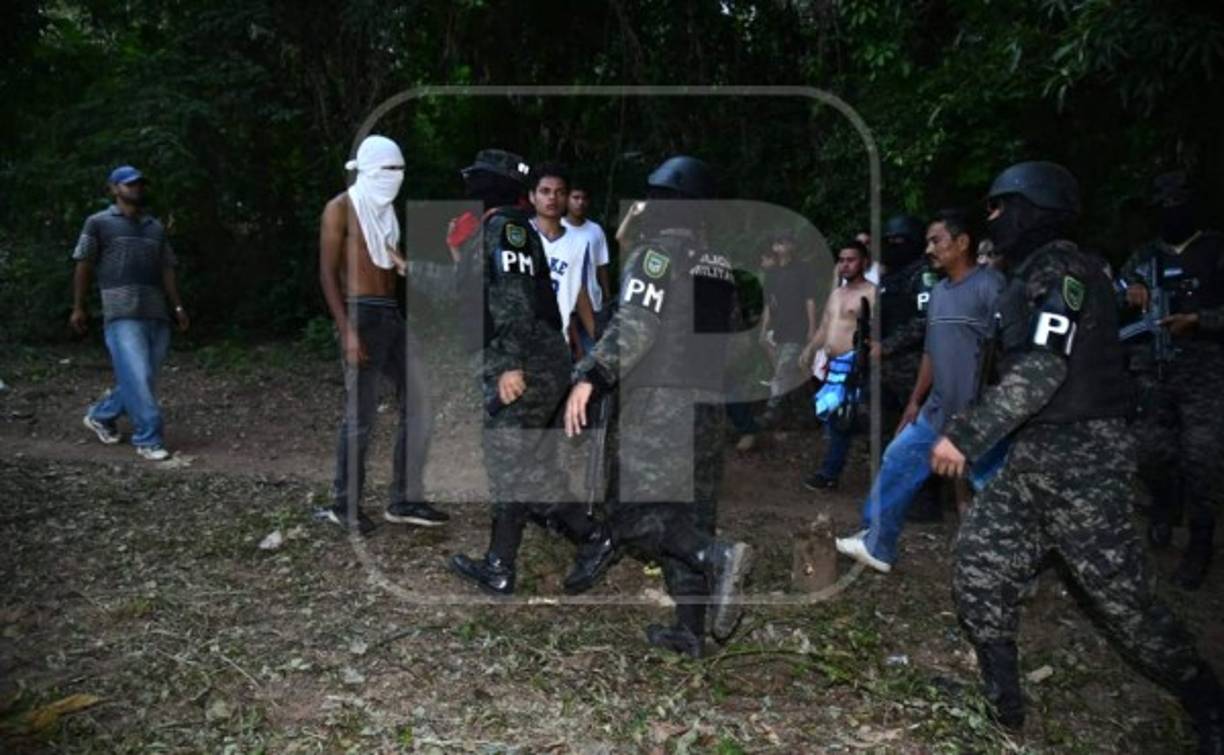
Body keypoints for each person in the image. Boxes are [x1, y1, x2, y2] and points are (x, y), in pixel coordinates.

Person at [929, 161, 1223, 750]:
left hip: (1083, 460)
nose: (991, 220)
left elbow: (1043, 367)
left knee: (1124, 602)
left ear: (1030, 209)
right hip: (1037, 454)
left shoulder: (1062, 268)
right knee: (979, 566)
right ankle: (1002, 700)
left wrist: (966, 435)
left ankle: (1208, 704)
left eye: (997, 207)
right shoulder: (1035, 271)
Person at [562, 156, 753, 659]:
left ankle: (716, 556)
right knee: (693, 510)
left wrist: (592, 376)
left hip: (660, 405)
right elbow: (734, 341)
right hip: (707, 406)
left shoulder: (655, 256)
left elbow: (635, 327)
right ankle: (689, 630)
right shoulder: (719, 266)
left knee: (633, 512)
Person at [447, 149, 602, 595]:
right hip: (529, 361)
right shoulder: (496, 228)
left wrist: (510, 365)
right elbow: (477, 296)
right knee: (527, 466)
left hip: (526, 365)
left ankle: (502, 566)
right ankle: (593, 535)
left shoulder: (507, 227)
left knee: (509, 461)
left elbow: (513, 299)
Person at [836, 209, 1003, 572]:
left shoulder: (991, 287)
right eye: (927, 241)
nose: (929, 248)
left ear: (962, 243)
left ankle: (1017, 563)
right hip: (937, 409)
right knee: (896, 459)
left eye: (937, 240)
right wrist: (915, 401)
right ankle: (878, 544)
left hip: (980, 413)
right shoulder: (940, 292)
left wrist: (991, 406)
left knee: (994, 485)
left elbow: (1004, 350)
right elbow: (931, 350)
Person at [314, 135, 447, 534]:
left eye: (400, 170)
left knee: (420, 401)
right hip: (360, 314)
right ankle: (345, 506)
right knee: (361, 416)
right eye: (388, 169)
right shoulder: (339, 208)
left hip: (390, 315)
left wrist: (405, 266)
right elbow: (325, 272)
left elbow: (390, 262)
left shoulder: (386, 213)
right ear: (369, 169)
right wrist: (346, 329)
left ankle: (404, 499)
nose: (395, 177)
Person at [1118, 170, 1224, 589]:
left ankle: (1200, 542)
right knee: (1148, 451)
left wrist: (1200, 320)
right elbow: (1116, 288)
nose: (1170, 211)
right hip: (1154, 370)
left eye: (1177, 202)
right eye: (1163, 204)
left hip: (1205, 372)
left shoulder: (1215, 249)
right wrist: (1131, 292)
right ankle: (1164, 506)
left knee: (1203, 459)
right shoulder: (1145, 255)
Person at [73, 165, 188, 462]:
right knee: (137, 375)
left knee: (142, 377)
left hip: (156, 311)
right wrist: (79, 306)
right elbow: (84, 263)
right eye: (128, 184)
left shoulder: (155, 227)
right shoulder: (98, 223)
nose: (135, 189)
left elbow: (167, 268)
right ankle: (148, 438)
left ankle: (101, 414)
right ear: (113, 188)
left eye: (139, 184)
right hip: (120, 311)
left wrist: (177, 306)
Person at [874, 214, 942, 519]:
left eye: (898, 240)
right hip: (887, 368)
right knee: (888, 431)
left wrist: (887, 346)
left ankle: (925, 502)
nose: (892, 246)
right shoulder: (892, 278)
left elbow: (925, 321)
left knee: (916, 435)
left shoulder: (923, 276)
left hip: (915, 369)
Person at [798, 240, 876, 490]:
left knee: (846, 419)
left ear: (864, 262)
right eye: (841, 260)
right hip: (832, 366)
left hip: (855, 364)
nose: (845, 265)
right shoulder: (836, 294)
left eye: (850, 260)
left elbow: (876, 332)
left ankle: (831, 473)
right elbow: (824, 327)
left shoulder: (873, 293)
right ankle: (831, 471)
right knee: (835, 419)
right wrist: (810, 348)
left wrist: (864, 360)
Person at [528, 163, 597, 358]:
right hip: (520, 345)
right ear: (532, 196)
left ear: (566, 198)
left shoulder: (578, 243)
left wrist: (596, 340)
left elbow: (578, 291)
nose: (552, 197)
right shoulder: (518, 235)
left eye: (559, 192)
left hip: (556, 345)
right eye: (545, 191)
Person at [758, 235, 819, 428]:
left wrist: (812, 328)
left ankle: (771, 411)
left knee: (783, 371)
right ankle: (808, 414)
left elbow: (810, 300)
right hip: (779, 329)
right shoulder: (772, 273)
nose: (780, 245)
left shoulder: (803, 269)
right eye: (777, 242)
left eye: (785, 241)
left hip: (799, 328)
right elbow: (769, 304)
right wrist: (764, 329)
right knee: (793, 375)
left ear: (793, 245)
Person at [563, 180, 613, 346]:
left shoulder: (595, 230)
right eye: (575, 197)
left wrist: (607, 295)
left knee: (593, 347)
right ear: (567, 199)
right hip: (565, 303)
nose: (580, 202)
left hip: (593, 301)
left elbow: (602, 265)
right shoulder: (556, 227)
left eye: (584, 198)